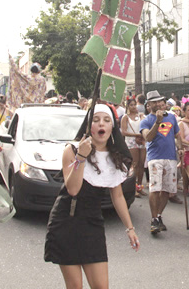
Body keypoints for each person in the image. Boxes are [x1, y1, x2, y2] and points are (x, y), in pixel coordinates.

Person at [44, 104, 139, 288]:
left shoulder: (115, 156)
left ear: (112, 127)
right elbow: (72, 189)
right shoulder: (71, 150)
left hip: (93, 223)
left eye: (106, 120)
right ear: (89, 127)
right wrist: (81, 157)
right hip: (66, 221)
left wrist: (130, 228)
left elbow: (117, 196)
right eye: (95, 120)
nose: (101, 124)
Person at [140, 90, 184, 234]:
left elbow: (177, 136)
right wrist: (158, 122)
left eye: (160, 101)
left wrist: (180, 147)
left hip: (171, 157)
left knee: (166, 190)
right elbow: (148, 138)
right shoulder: (146, 121)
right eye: (155, 102)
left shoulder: (171, 118)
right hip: (155, 157)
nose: (159, 104)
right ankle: (153, 219)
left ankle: (159, 216)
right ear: (149, 105)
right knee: (155, 188)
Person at [121, 98, 146, 197]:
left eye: (134, 104)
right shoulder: (125, 117)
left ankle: (140, 186)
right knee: (134, 164)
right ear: (128, 106)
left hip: (141, 140)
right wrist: (136, 135)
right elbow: (123, 132)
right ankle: (133, 187)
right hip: (131, 142)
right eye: (131, 105)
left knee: (141, 164)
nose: (133, 106)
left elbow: (145, 126)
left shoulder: (140, 116)